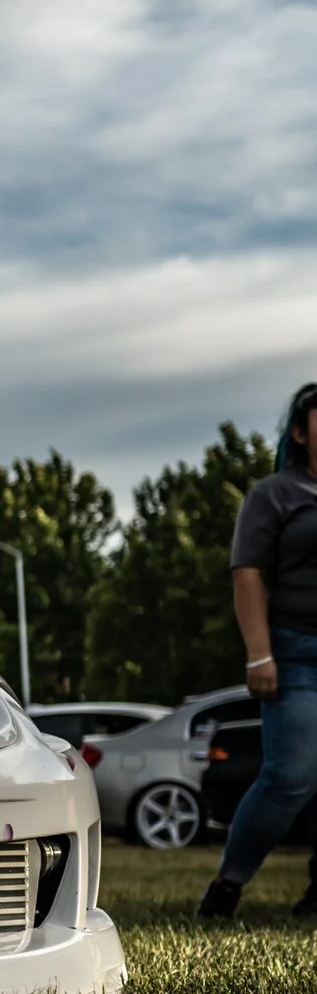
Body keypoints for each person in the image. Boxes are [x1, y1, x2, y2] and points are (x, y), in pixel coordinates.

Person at [201, 380, 317, 919]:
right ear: (300, 433)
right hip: (296, 653)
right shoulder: (274, 495)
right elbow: (247, 572)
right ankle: (228, 883)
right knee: (290, 775)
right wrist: (259, 654)